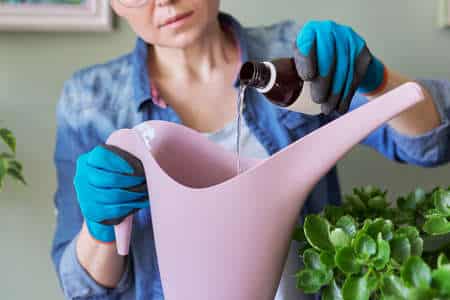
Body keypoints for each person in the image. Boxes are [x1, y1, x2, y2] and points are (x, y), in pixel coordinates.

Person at [51, 0, 450, 299]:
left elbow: (429, 146)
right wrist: (100, 229)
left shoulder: (294, 57)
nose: (165, 1)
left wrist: (375, 79)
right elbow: (85, 288)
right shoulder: (90, 103)